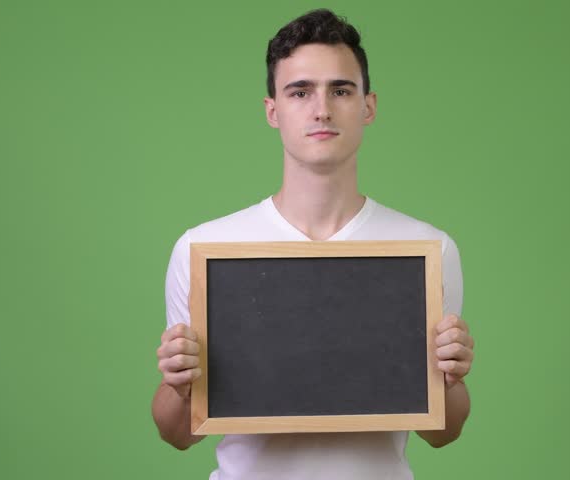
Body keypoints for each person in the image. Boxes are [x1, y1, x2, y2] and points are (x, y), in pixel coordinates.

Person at [151, 8, 475, 479]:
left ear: (368, 105)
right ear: (272, 110)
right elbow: (177, 434)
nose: (321, 108)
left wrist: (452, 378)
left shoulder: (425, 250)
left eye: (340, 90)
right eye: (299, 91)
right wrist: (177, 383)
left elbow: (443, 432)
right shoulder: (206, 250)